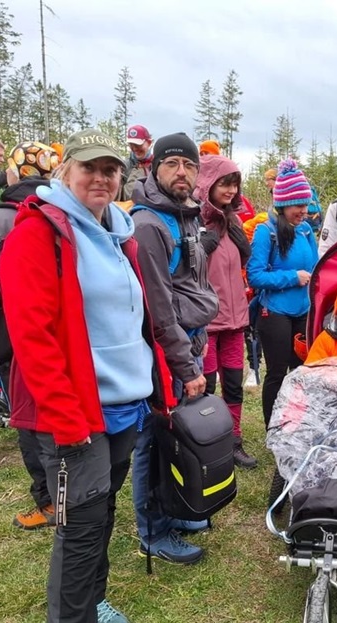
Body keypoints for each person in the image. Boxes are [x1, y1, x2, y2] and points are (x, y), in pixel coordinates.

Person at [0, 128, 165, 623]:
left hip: (122, 404)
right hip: (74, 414)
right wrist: (67, 419)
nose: (101, 178)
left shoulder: (117, 235)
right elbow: (34, 338)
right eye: (89, 168)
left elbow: (129, 322)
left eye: (111, 170)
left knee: (103, 509)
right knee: (80, 528)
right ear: (65, 172)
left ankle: (92, 600)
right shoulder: (38, 234)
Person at [0, 141, 61, 531]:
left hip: (15, 341)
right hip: (51, 337)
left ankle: (49, 502)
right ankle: (59, 496)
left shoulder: (5, 218)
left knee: (29, 422)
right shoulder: (61, 214)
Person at [130, 132, 219, 565]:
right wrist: (186, 368)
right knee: (153, 442)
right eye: (172, 164)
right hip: (161, 355)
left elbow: (192, 284)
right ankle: (153, 531)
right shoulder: (149, 225)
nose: (181, 172)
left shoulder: (185, 216)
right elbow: (158, 310)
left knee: (176, 437)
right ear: (154, 168)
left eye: (189, 165)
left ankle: (176, 511)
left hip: (187, 344)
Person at [246, 158, 318, 507]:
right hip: (273, 313)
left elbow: (316, 268)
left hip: (303, 313)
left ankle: (299, 428)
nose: (302, 211)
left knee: (301, 373)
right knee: (277, 374)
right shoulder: (266, 231)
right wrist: (292, 278)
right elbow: (256, 276)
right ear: (282, 204)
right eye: (296, 206)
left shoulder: (306, 230)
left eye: (305, 204)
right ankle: (275, 433)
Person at [196, 153, 258, 469]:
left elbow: (239, 265)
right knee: (205, 388)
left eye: (235, 183)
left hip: (235, 321)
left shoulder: (232, 221)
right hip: (205, 324)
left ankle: (233, 442)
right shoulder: (193, 222)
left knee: (233, 384)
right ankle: (206, 446)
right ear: (207, 183)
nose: (231, 190)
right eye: (224, 183)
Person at [124, 124, 154, 196]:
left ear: (149, 143)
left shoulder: (157, 165)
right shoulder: (124, 166)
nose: (134, 148)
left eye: (138, 144)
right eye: (131, 144)